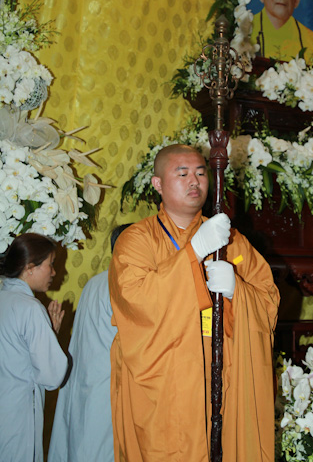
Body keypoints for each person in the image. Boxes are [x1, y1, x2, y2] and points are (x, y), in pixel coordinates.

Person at [109, 144, 280, 462]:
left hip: (223, 374)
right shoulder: (137, 240)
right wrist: (194, 253)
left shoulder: (233, 241)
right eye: (182, 173)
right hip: (165, 383)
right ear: (158, 184)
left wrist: (237, 292)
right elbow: (135, 301)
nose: (194, 181)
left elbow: (267, 301)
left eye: (201, 173)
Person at [48, 224, 131, 462]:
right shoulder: (123, 284)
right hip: (106, 385)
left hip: (86, 378)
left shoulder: (96, 281)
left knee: (79, 441)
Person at [0, 233, 69, 462]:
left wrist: (48, 335)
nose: (54, 272)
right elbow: (51, 377)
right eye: (50, 264)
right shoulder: (30, 308)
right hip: (19, 416)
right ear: (30, 268)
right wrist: (52, 340)